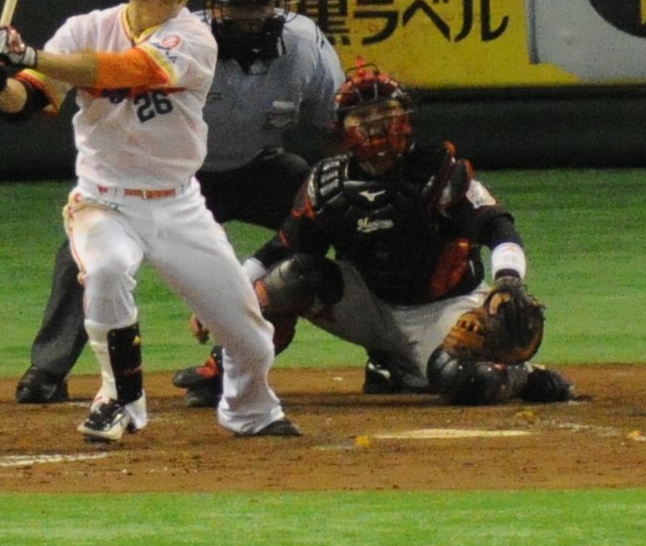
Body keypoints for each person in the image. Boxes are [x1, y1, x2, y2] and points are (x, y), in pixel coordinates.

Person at [0, 0, 300, 442]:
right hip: (105, 202)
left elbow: (129, 69)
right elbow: (31, 100)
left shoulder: (193, 37)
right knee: (105, 270)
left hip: (177, 205)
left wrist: (29, 55)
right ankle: (120, 400)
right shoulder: (84, 29)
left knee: (251, 339)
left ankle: (250, 410)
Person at [177, 65, 577, 408]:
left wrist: (508, 278)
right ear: (343, 129)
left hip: (444, 310)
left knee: (462, 381)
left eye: (386, 112)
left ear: (406, 117)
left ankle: (523, 377)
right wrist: (222, 299)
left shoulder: (439, 169)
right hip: (369, 307)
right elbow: (283, 247)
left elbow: (497, 225)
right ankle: (228, 370)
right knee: (294, 275)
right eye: (363, 118)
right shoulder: (326, 182)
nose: (377, 128)